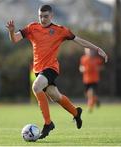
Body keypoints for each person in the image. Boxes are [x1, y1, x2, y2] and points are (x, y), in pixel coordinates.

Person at [6, 5, 108, 139]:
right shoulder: (32, 28)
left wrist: (97, 48)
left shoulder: (60, 30)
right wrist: (11, 32)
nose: (42, 19)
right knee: (56, 97)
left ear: (51, 16)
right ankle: (76, 112)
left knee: (36, 87)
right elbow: (14, 39)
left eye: (46, 16)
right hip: (38, 70)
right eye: (40, 16)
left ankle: (48, 124)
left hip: (51, 68)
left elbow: (79, 41)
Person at [79, 48, 104, 112]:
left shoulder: (97, 59)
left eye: (90, 51)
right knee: (87, 94)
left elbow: (102, 67)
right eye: (88, 51)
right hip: (86, 80)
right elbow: (81, 67)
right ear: (85, 51)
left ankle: (90, 107)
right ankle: (96, 100)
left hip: (94, 79)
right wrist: (82, 69)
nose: (89, 52)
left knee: (91, 93)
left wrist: (98, 68)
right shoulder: (83, 59)